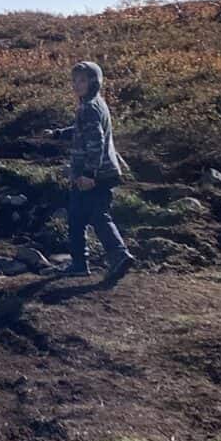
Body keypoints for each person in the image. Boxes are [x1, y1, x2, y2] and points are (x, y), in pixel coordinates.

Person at [60, 59, 133, 278]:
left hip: (94, 174)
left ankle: (115, 255)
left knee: (90, 215)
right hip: (103, 172)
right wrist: (59, 133)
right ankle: (82, 263)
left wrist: (89, 174)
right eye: (74, 80)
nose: (76, 85)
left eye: (82, 80)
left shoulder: (89, 107)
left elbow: (96, 142)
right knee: (81, 215)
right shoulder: (94, 103)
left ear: (94, 82)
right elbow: (86, 129)